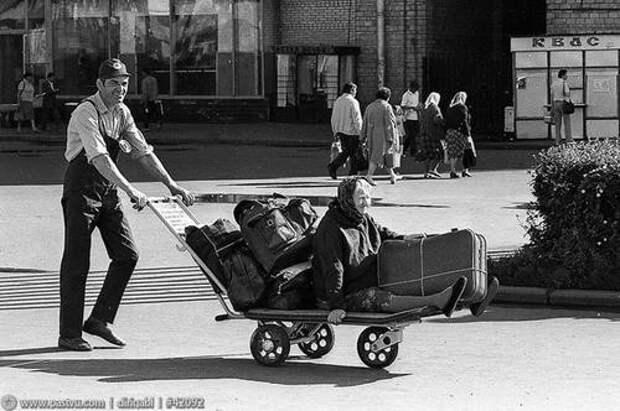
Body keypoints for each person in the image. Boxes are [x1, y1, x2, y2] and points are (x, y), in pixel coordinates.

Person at [58, 58, 195, 352]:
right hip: (81, 189)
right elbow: (99, 158)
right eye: (113, 84)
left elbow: (143, 153)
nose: (120, 89)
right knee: (77, 262)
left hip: (108, 191)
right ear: (99, 84)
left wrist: (171, 184)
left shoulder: (122, 113)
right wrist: (131, 190)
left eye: (124, 83)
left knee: (127, 255)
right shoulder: (87, 111)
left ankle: (99, 320)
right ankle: (69, 334)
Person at [312, 177, 468, 324]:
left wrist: (405, 238)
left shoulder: (361, 218)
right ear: (347, 199)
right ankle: (437, 300)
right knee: (378, 297)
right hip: (342, 293)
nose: (366, 202)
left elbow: (384, 234)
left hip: (366, 279)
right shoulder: (331, 227)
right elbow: (333, 268)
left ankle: (465, 296)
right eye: (361, 198)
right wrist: (336, 306)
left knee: (405, 275)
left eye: (368, 197)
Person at [361, 87, 401, 185]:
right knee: (377, 156)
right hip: (383, 135)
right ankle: (369, 175)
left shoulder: (369, 107)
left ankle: (392, 175)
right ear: (387, 97)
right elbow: (390, 123)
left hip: (371, 134)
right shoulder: (386, 106)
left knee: (385, 156)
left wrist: (363, 136)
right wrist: (392, 137)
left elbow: (364, 122)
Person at [328, 82, 363, 179]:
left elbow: (333, 118)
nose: (356, 92)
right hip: (352, 131)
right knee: (352, 153)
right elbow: (357, 118)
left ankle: (336, 167)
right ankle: (349, 173)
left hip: (341, 131)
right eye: (355, 90)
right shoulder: (353, 102)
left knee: (347, 152)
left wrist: (335, 131)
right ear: (351, 90)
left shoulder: (338, 101)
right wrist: (361, 132)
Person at [416, 92, 444, 179]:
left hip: (424, 133)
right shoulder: (435, 108)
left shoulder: (425, 107)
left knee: (427, 154)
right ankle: (433, 169)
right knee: (440, 152)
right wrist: (442, 120)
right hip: (433, 133)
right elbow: (436, 120)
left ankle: (426, 172)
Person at [445, 91, 473, 178]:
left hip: (450, 132)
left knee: (453, 152)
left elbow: (447, 121)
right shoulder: (462, 107)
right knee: (467, 150)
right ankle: (465, 170)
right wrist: (468, 134)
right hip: (460, 132)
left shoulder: (450, 108)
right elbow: (464, 121)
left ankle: (452, 170)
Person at [550, 69, 572, 145]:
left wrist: (552, 107)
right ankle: (568, 140)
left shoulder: (554, 83)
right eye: (566, 74)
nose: (567, 76)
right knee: (567, 122)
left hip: (555, 104)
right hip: (563, 103)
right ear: (562, 75)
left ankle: (557, 140)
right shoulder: (564, 83)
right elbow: (567, 93)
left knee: (557, 123)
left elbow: (552, 96)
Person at [400, 80, 421, 157]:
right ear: (411, 87)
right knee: (412, 135)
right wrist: (412, 107)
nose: (415, 90)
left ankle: (404, 149)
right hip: (408, 117)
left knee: (413, 135)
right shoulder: (406, 95)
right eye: (414, 89)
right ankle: (414, 152)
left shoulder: (417, 94)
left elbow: (417, 103)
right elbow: (402, 106)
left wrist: (419, 107)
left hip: (416, 117)